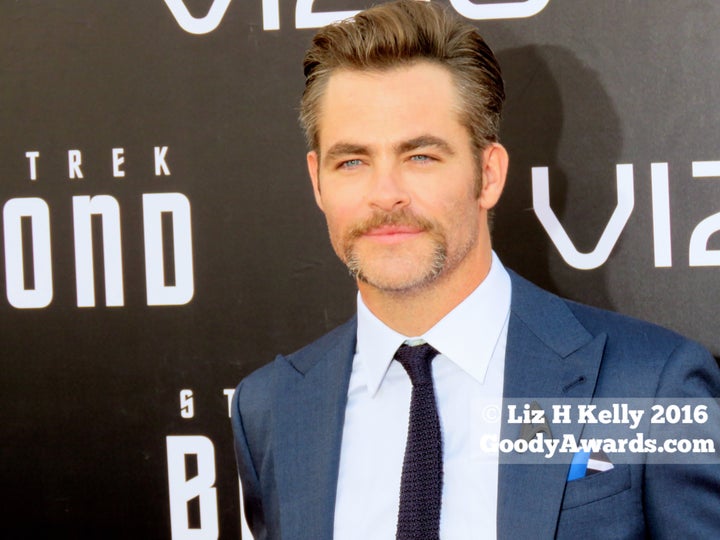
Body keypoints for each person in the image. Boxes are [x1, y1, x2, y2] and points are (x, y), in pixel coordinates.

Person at [231, 1, 720, 538]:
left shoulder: (649, 386)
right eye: (352, 161)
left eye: (420, 156)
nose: (385, 194)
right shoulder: (273, 408)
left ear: (488, 175)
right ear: (317, 181)